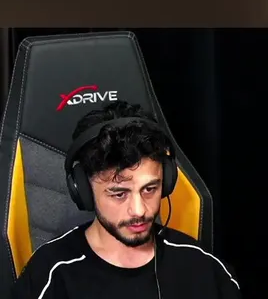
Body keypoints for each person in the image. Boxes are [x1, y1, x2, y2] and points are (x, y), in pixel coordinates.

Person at [10, 101, 240, 298]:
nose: (139, 210)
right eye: (119, 194)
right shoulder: (50, 275)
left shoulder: (202, 268)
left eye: (150, 189)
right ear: (84, 191)